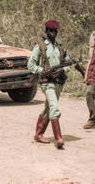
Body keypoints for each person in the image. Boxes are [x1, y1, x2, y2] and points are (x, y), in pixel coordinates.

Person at [28, 19, 73, 149]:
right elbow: (31, 64)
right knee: (54, 106)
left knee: (48, 108)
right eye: (51, 31)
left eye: (55, 31)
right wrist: (43, 71)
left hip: (58, 82)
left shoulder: (60, 47)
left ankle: (39, 134)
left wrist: (62, 70)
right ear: (46, 31)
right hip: (47, 83)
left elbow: (68, 62)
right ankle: (58, 138)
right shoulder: (40, 47)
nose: (53, 33)